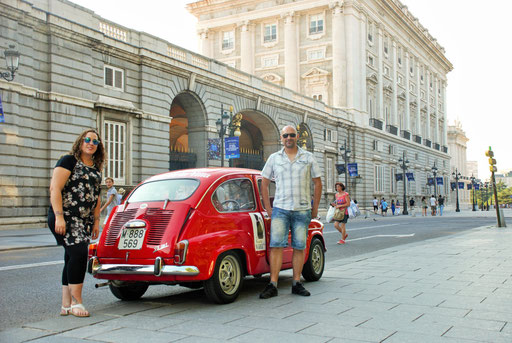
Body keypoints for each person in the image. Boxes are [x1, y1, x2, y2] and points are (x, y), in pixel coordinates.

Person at [259, 125, 322, 299]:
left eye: (292, 135)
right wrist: (268, 208)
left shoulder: (308, 157)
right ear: (281, 138)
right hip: (280, 209)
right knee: (276, 246)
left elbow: (318, 183)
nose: (289, 138)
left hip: (302, 209)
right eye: (286, 135)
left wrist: (315, 207)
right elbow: (264, 183)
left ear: (297, 137)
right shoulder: (274, 158)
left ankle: (296, 283)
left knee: (299, 246)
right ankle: (273, 284)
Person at [48, 129, 105, 318]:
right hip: (65, 217)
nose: (90, 143)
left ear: (98, 146)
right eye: (87, 140)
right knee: (80, 254)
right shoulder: (68, 161)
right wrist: (59, 217)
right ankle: (76, 302)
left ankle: (66, 304)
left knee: (71, 257)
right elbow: (55, 188)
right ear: (80, 142)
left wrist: (96, 222)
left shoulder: (96, 168)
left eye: (95, 142)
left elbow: (97, 198)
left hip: (84, 220)